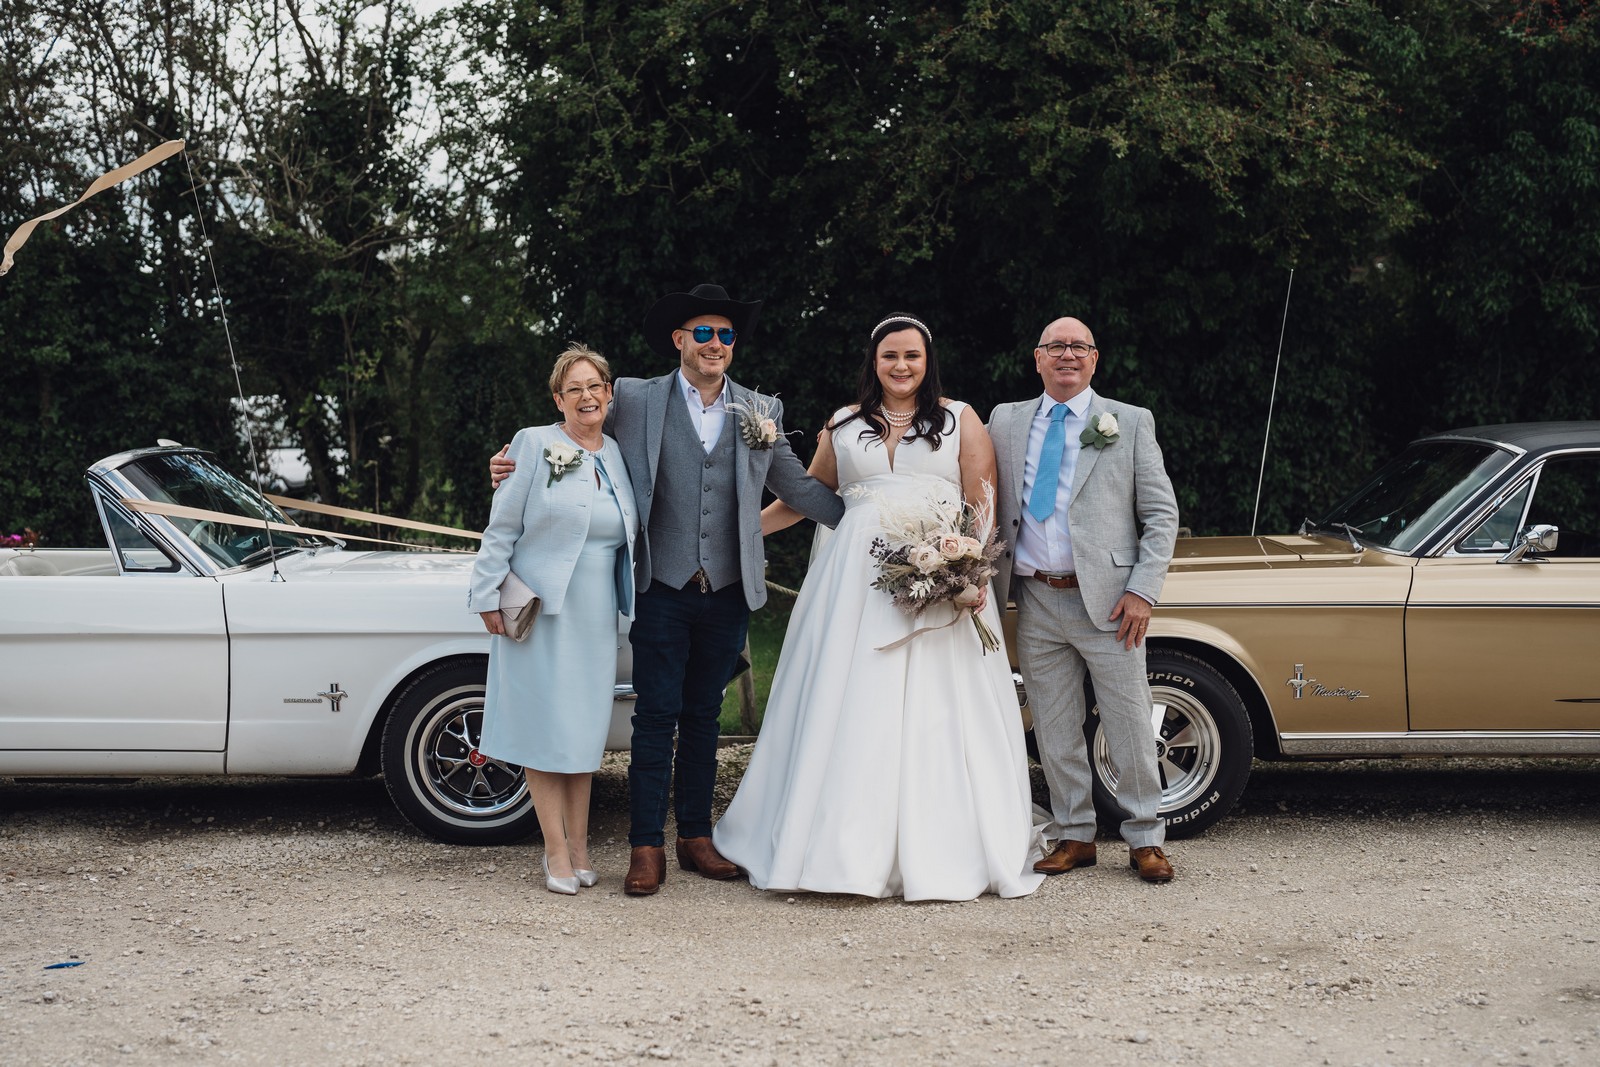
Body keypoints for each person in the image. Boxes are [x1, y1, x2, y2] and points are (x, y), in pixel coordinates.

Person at [491, 284, 844, 896]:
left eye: (725, 335)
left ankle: (695, 838)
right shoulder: (634, 397)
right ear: (680, 340)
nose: (715, 344)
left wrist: (866, 510)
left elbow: (794, 482)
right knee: (655, 716)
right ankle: (645, 845)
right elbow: (574, 432)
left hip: (729, 587)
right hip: (660, 582)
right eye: (702, 333)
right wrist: (511, 462)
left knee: (704, 716)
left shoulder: (761, 409)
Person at [711, 314, 1045, 901]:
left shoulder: (961, 418)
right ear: (874, 362)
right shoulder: (842, 424)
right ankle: (834, 841)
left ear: (927, 360)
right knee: (852, 695)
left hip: (941, 581)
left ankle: (943, 842)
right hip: (853, 586)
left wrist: (964, 570)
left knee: (938, 706)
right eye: (889, 356)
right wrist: (737, 538)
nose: (901, 366)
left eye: (912, 356)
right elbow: (807, 497)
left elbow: (982, 503)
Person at [988, 317, 1181, 883]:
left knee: (1127, 723)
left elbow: (1161, 515)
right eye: (1055, 347)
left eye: (1078, 347)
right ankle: (1075, 835)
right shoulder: (1006, 420)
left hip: (1110, 603)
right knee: (1054, 725)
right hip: (1035, 599)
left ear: (1094, 360)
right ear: (1037, 358)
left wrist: (1143, 590)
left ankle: (1146, 836)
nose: (1066, 355)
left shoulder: (1130, 422)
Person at [468, 344, 639, 895]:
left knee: (583, 734)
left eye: (596, 386)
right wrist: (487, 596)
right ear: (558, 399)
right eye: (575, 389)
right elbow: (502, 527)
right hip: (540, 610)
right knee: (546, 732)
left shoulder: (617, 451)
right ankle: (556, 852)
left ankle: (585, 847)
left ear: (609, 393)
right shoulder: (535, 444)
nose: (587, 397)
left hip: (596, 613)